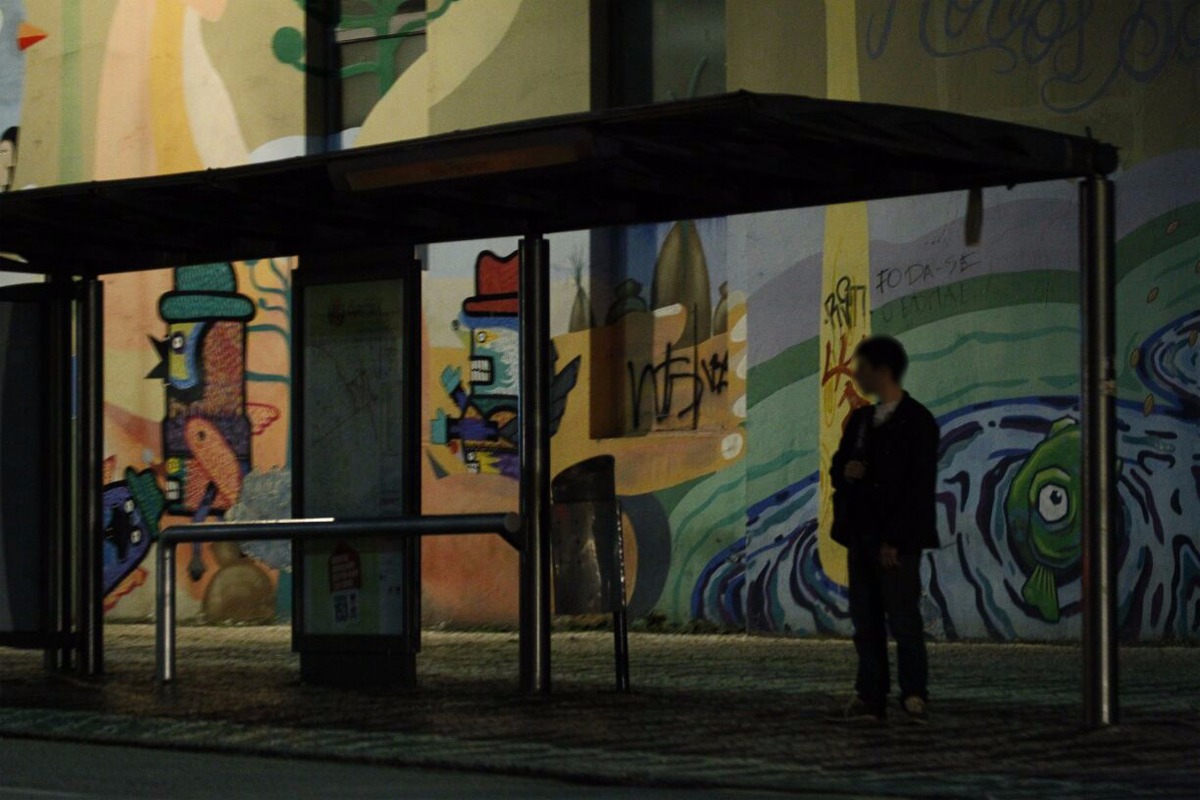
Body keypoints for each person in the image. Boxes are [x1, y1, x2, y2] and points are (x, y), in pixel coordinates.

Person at [830, 335, 939, 724]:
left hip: (896, 539)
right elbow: (838, 466)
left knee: (903, 617)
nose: (856, 376)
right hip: (861, 533)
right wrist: (846, 472)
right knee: (866, 619)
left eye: (862, 368)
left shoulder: (917, 421)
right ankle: (870, 694)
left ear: (883, 371)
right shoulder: (861, 421)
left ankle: (913, 692)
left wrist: (896, 539)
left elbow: (918, 486)